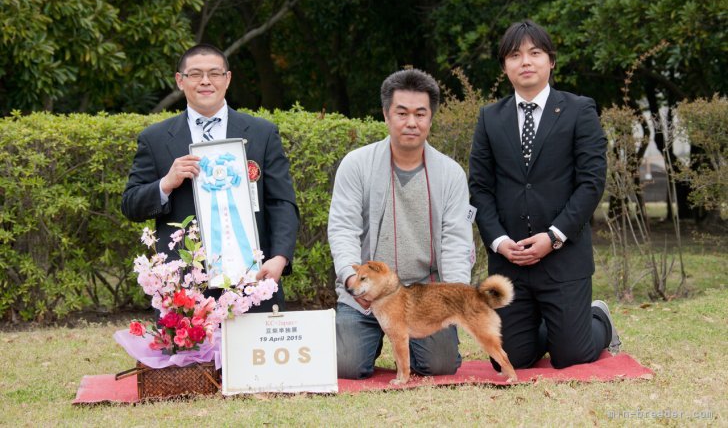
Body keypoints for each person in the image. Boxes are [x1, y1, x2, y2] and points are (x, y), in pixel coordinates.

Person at [468, 20, 621, 370]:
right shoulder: (490, 118)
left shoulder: (579, 110)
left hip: (563, 257)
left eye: (535, 53)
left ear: (550, 61)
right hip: (511, 261)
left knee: (570, 355)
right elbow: (479, 186)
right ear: (504, 66)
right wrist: (499, 241)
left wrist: (554, 236)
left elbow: (591, 182)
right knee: (508, 360)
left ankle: (598, 318)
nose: (525, 61)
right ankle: (548, 324)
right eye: (515, 55)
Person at [122, 44, 299, 312]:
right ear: (180, 81)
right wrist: (165, 183)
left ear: (227, 79)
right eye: (195, 74)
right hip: (183, 285)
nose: (205, 81)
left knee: (250, 355)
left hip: (253, 278)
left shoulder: (262, 133)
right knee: (193, 357)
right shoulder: (155, 139)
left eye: (214, 73)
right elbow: (131, 204)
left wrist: (280, 258)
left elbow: (282, 202)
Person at [329, 68, 474, 379]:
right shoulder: (356, 165)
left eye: (420, 114)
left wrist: (455, 295)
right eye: (402, 113)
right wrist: (353, 282)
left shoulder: (450, 174)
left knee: (440, 366)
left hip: (424, 297)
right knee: (346, 365)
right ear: (386, 115)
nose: (412, 122)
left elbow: (457, 241)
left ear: (431, 118)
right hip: (365, 294)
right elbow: (343, 229)